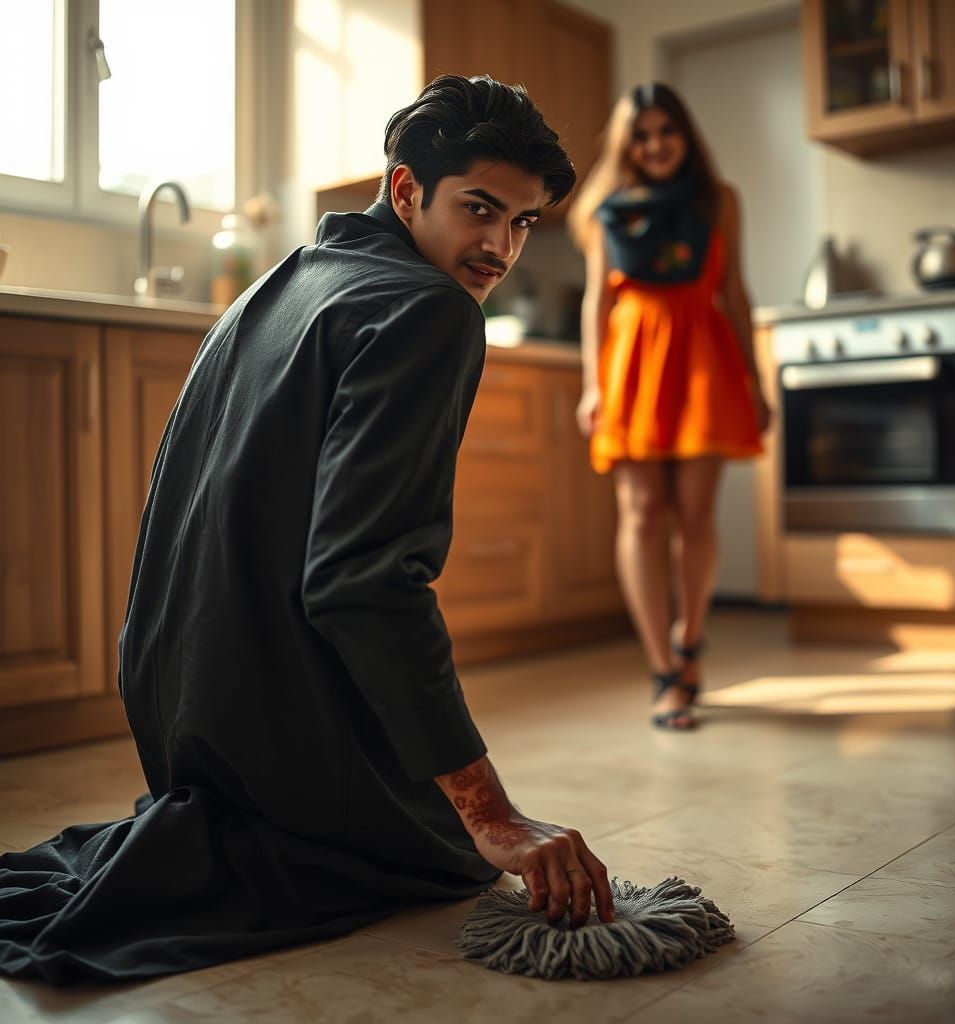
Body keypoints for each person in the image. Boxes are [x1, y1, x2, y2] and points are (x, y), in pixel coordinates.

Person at [0, 75, 614, 986]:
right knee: (442, 853)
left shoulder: (281, 284)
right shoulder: (430, 309)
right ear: (406, 191)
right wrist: (490, 813)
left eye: (523, 223)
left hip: (182, 722)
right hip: (263, 736)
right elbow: (363, 583)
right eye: (479, 209)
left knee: (419, 829)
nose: (499, 247)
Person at [568, 82, 771, 732]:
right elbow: (596, 300)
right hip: (631, 363)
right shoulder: (604, 210)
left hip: (704, 360)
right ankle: (663, 670)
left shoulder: (720, 201)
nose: (655, 144)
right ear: (628, 144)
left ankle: (690, 641)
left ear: (685, 135)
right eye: (643, 133)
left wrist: (756, 381)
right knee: (643, 511)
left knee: (695, 514)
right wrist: (593, 385)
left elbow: (735, 292)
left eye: (667, 131)